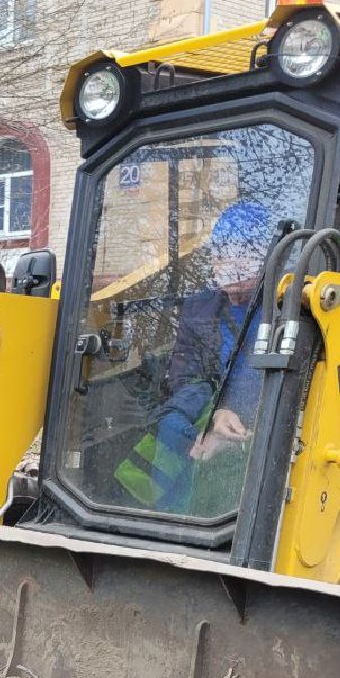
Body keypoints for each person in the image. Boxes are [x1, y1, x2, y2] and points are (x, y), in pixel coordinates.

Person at [116, 200, 271, 513]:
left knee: (228, 456)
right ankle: (168, 519)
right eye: (221, 253)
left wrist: (233, 419)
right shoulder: (199, 308)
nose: (229, 263)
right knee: (172, 423)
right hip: (211, 410)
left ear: (265, 257)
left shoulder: (284, 307)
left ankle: (214, 518)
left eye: (243, 253)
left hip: (262, 418)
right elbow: (184, 375)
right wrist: (214, 415)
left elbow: (274, 378)